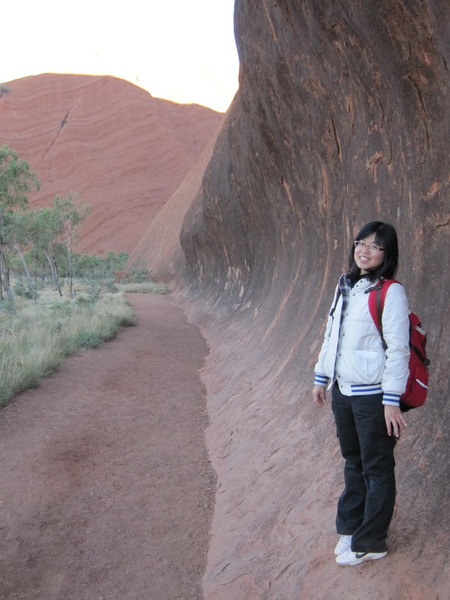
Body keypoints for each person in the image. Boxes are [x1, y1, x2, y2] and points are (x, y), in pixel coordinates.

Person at [312, 221, 410, 567]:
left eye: (375, 245)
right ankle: (351, 528)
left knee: (377, 467)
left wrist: (391, 400)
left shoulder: (390, 292)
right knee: (353, 462)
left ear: (387, 253)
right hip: (343, 391)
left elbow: (400, 349)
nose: (365, 250)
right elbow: (331, 334)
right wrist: (321, 377)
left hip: (373, 397)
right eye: (361, 243)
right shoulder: (345, 285)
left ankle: (372, 541)